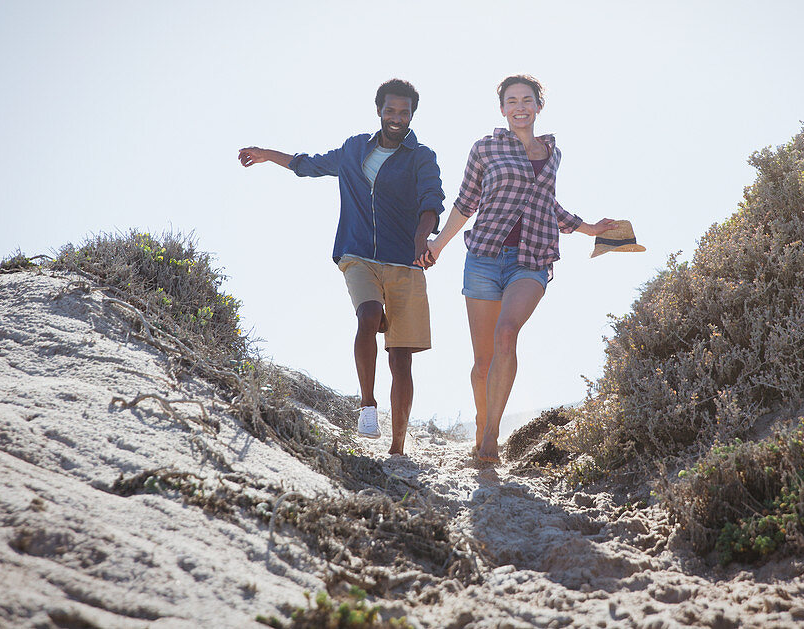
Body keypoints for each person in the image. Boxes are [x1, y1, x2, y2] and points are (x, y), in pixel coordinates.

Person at [238, 79, 443, 455]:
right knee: (368, 315)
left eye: (405, 112)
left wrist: (422, 239)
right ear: (378, 110)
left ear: (412, 114)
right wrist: (268, 154)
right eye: (391, 110)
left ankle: (398, 446)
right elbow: (308, 165)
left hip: (406, 263)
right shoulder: (353, 149)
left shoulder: (421, 156)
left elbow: (432, 201)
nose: (397, 117)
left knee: (400, 358)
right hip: (358, 254)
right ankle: (368, 405)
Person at [424, 74, 616, 463]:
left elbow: (548, 204)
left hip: (532, 259)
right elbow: (465, 203)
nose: (520, 107)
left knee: (507, 333)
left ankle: (492, 438)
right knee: (482, 364)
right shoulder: (485, 148)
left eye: (527, 100)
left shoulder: (552, 153)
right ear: (502, 109)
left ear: (539, 106)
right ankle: (482, 424)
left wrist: (590, 228)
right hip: (483, 258)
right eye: (511, 101)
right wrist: (438, 246)